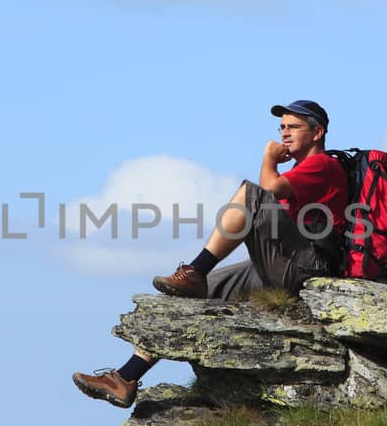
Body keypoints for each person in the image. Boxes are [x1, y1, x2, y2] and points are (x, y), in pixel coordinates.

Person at [72, 100, 348, 409]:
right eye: (282, 127)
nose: (284, 133)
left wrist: (269, 158)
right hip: (286, 262)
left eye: (293, 127)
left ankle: (196, 270)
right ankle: (125, 379)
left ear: (318, 132)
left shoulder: (322, 165)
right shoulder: (303, 170)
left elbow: (268, 188)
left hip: (307, 267)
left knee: (250, 195)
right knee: (182, 296)